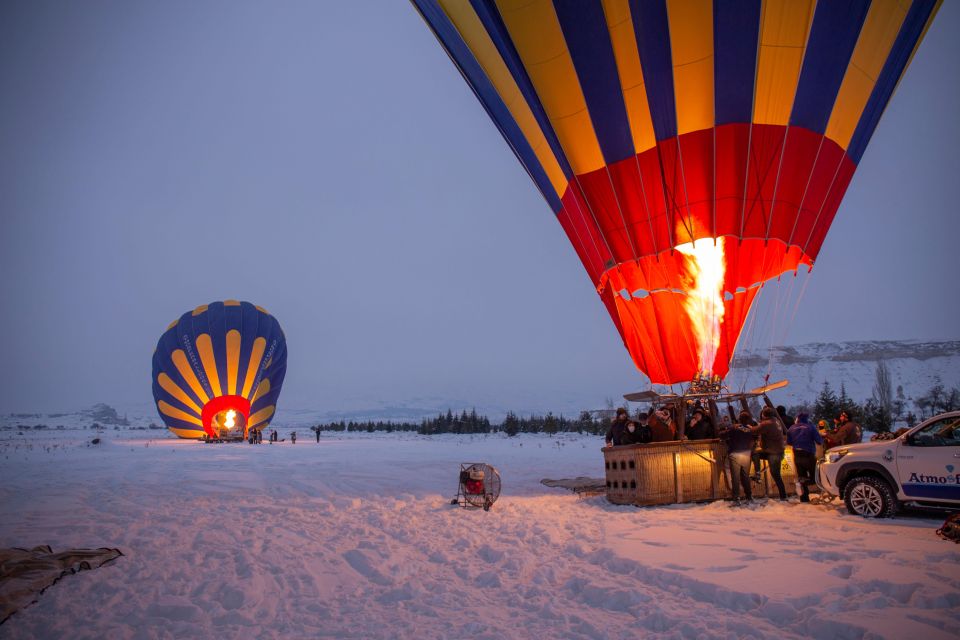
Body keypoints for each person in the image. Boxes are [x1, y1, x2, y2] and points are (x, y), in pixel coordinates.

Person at [749, 407, 788, 500]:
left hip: (773, 452)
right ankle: (758, 473)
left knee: (775, 474)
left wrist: (749, 427)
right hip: (776, 450)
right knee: (756, 453)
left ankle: (783, 496)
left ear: (764, 414)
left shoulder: (766, 423)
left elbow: (754, 430)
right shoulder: (776, 421)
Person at [787, 412, 823, 502]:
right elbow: (819, 441)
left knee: (802, 476)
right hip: (808, 455)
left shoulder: (791, 428)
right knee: (815, 478)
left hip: (797, 455)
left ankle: (804, 498)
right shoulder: (810, 427)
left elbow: (789, 442)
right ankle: (801, 483)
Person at [721, 411, 755, 503]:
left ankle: (736, 498)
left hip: (735, 453)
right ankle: (749, 496)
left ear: (739, 419)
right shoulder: (750, 429)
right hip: (746, 454)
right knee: (745, 476)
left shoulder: (734, 427)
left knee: (735, 477)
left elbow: (723, 435)